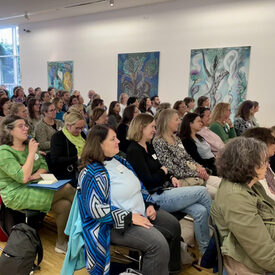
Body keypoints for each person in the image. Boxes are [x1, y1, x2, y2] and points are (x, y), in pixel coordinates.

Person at [77, 124, 181, 275]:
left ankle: (170, 270)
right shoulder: (91, 172)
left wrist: (148, 203)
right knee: (158, 244)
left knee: (173, 225)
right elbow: (95, 209)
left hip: (139, 211)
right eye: (113, 139)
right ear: (99, 144)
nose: (118, 141)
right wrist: (130, 217)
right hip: (114, 224)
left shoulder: (120, 161)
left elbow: (139, 185)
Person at [126, 114, 212, 255]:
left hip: (165, 189)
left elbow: (161, 167)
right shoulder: (134, 151)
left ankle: (206, 252)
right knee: (202, 192)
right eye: (152, 127)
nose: (155, 130)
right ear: (141, 128)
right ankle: (218, 236)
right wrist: (163, 171)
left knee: (201, 211)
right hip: (154, 197)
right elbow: (148, 181)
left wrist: (170, 175)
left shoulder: (148, 146)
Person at [0, 115, 75, 253]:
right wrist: (32, 153)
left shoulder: (28, 146)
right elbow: (22, 177)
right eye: (20, 126)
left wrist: (33, 175)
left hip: (34, 184)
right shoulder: (4, 152)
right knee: (67, 188)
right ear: (10, 131)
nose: (26, 128)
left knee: (65, 205)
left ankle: (61, 243)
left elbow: (44, 165)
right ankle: (93, 218)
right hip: (16, 193)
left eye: (26, 125)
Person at [211, 137, 275, 274]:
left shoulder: (251, 184)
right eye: (264, 162)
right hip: (251, 263)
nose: (268, 165)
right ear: (248, 165)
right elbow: (264, 253)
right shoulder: (235, 197)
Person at [153, 109, 221, 198]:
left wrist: (199, 167)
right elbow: (170, 168)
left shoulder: (176, 139)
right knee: (218, 193)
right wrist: (196, 173)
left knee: (223, 184)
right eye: (176, 119)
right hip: (184, 180)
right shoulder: (159, 141)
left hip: (194, 175)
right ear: (168, 122)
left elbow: (187, 157)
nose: (179, 122)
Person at [50, 110, 86, 187]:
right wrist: (76, 158)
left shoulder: (82, 135)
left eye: (81, 128)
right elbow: (55, 160)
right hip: (67, 174)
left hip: (83, 169)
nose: (79, 131)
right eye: (77, 128)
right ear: (68, 126)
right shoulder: (58, 137)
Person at [242, 127, 275, 202]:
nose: (274, 144)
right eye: (272, 142)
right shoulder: (255, 167)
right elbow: (267, 197)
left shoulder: (265, 162)